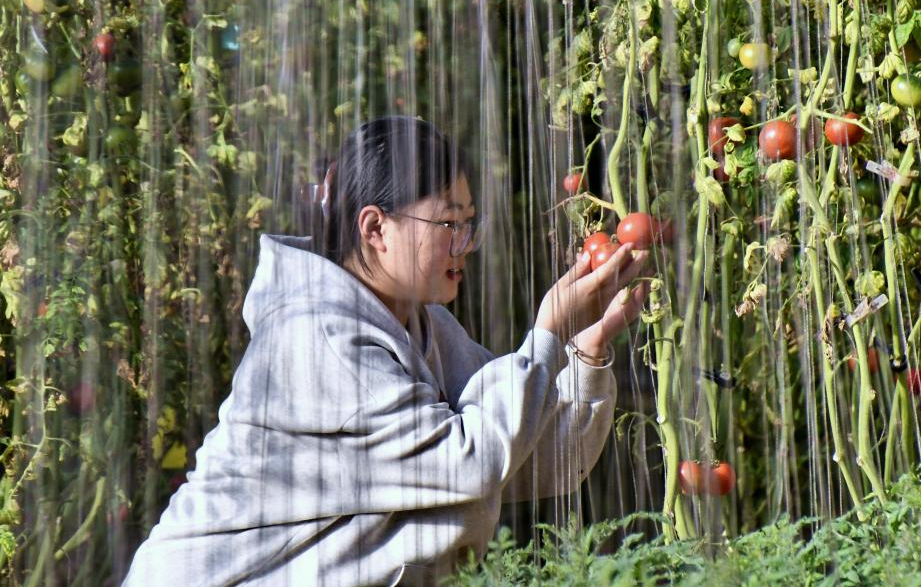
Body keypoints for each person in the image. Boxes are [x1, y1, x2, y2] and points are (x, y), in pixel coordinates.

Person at [121, 116, 649, 586]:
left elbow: (537, 458)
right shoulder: (315, 337)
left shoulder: (421, 325)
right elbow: (469, 463)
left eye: (469, 225)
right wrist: (548, 335)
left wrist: (586, 352)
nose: (464, 244)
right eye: (448, 225)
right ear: (375, 227)